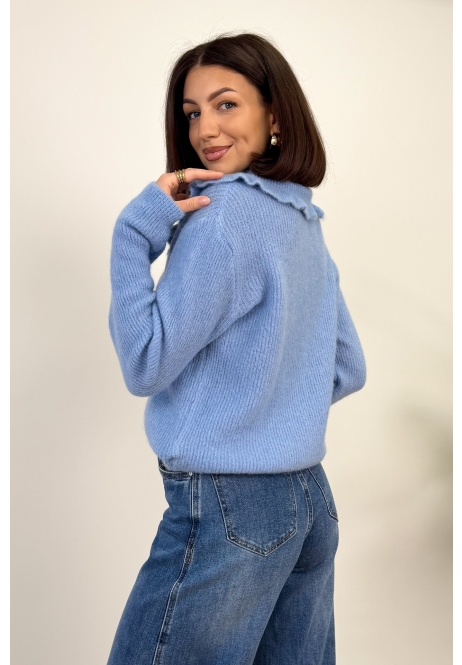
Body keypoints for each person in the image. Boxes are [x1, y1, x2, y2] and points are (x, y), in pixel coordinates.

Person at [107, 32, 366, 665]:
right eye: (192, 111)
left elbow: (145, 363)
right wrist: (272, 413)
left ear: (275, 115)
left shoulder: (222, 219)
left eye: (226, 104)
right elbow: (347, 366)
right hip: (309, 502)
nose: (205, 129)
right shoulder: (302, 220)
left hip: (230, 508)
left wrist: (133, 231)